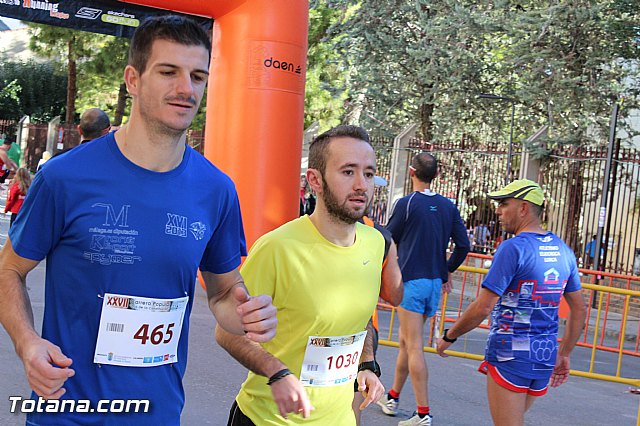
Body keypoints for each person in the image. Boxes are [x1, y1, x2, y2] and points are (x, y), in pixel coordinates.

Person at [0, 15, 277, 425]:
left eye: (198, 76)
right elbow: (9, 271)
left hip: (159, 413)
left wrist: (246, 315)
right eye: (169, 72)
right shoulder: (65, 178)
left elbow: (222, 294)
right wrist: (27, 344)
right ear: (133, 79)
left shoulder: (216, 189)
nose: (186, 89)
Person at [216, 125, 386, 425]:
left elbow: (361, 322)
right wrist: (276, 372)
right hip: (268, 419)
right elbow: (227, 331)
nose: (361, 184)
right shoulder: (277, 248)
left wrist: (367, 365)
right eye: (348, 172)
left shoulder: (374, 243)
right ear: (315, 180)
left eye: (369, 174)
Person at [436, 179, 587, 426]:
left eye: (504, 204)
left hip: (511, 355)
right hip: (544, 355)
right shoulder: (563, 250)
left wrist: (449, 336)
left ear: (524, 208)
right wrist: (565, 353)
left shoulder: (512, 248)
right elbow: (579, 308)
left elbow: (483, 307)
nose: (498, 211)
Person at [377, 152, 470, 426]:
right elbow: (463, 245)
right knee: (407, 342)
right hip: (432, 284)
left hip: (411, 283)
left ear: (411, 172)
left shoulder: (406, 204)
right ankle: (392, 397)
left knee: (414, 346)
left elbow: (387, 236)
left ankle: (422, 412)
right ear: (436, 175)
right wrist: (447, 270)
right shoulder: (448, 206)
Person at [352, 177, 404, 426]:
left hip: (322, 330)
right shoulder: (381, 237)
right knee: (350, 409)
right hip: (362, 334)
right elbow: (394, 295)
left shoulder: (308, 228)